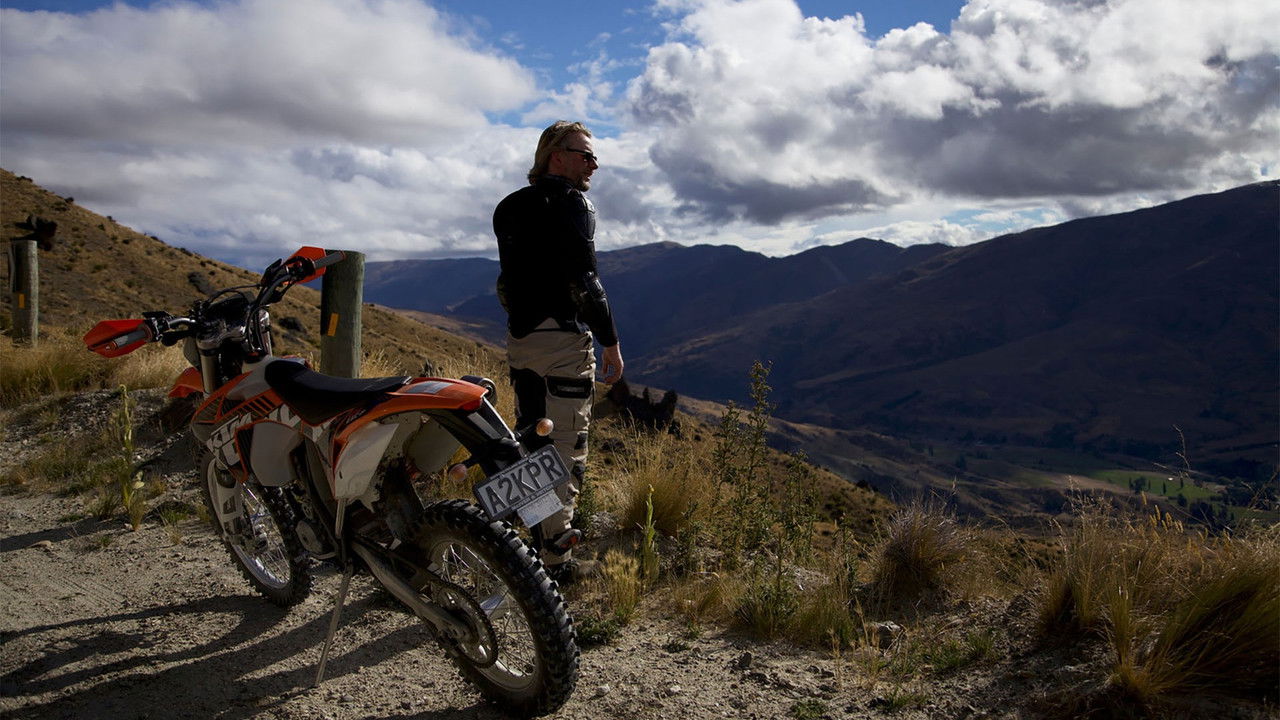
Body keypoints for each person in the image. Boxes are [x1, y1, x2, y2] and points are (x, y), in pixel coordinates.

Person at [493, 120, 624, 584]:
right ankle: (556, 561)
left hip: (521, 340)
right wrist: (610, 341)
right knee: (568, 447)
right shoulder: (573, 204)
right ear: (557, 155)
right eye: (586, 155)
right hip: (563, 342)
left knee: (533, 443)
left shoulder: (509, 207)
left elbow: (508, 283)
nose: (594, 164)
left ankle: (527, 534)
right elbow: (585, 281)